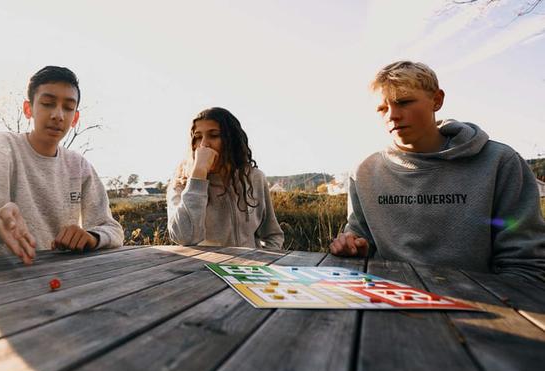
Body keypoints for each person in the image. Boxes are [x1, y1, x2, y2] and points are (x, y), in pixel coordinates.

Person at [330, 60, 545, 281]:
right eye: (382, 108)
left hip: (482, 297)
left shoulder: (500, 162)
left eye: (404, 102)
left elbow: (525, 264)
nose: (392, 115)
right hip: (389, 295)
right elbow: (361, 237)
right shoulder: (364, 171)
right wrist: (355, 245)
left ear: (437, 100)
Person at [0, 66, 123, 264]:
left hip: (62, 278)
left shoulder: (79, 166)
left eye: (68, 108)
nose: (58, 115)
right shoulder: (2, 148)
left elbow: (112, 229)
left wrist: (92, 237)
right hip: (5, 278)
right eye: (47, 103)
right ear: (28, 109)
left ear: (75, 118)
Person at [167, 107, 284, 249]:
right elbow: (183, 237)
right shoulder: (181, 182)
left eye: (214, 135)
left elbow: (273, 235)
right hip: (205, 263)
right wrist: (198, 176)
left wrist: (264, 258)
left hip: (250, 262)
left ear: (232, 140)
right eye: (198, 137)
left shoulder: (254, 178)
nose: (204, 144)